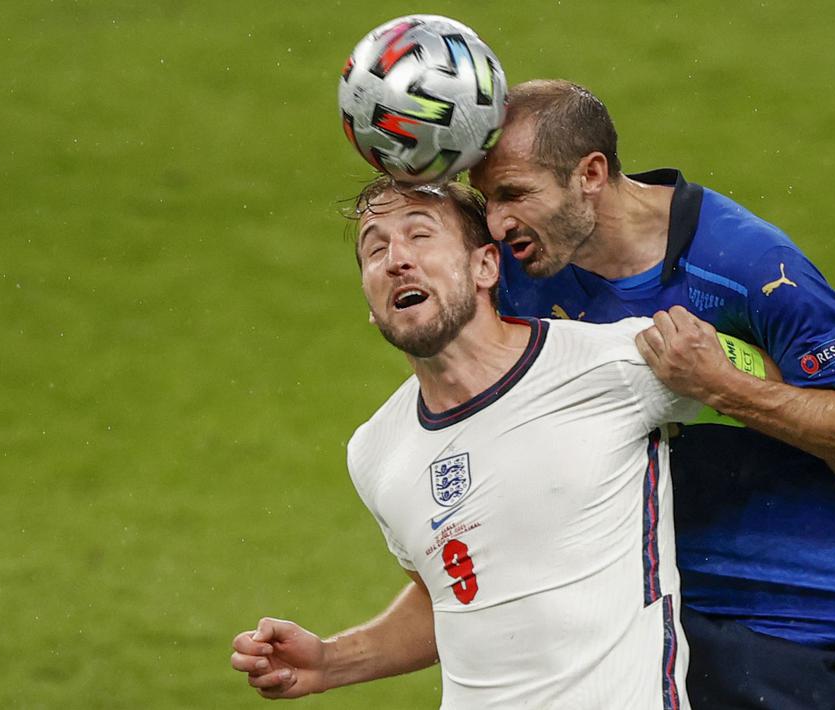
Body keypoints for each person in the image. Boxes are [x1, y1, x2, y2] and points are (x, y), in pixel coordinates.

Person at [468, 79, 835, 708]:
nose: (496, 223)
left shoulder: (746, 262)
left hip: (785, 622)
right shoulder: (518, 270)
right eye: (485, 199)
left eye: (514, 194)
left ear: (590, 174)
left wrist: (722, 387)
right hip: (640, 605)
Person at [230, 178, 707, 708]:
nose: (397, 260)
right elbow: (455, 595)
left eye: (420, 236)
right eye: (375, 249)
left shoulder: (616, 365)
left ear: (485, 266)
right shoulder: (376, 452)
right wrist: (331, 661)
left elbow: (766, 387)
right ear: (370, 302)